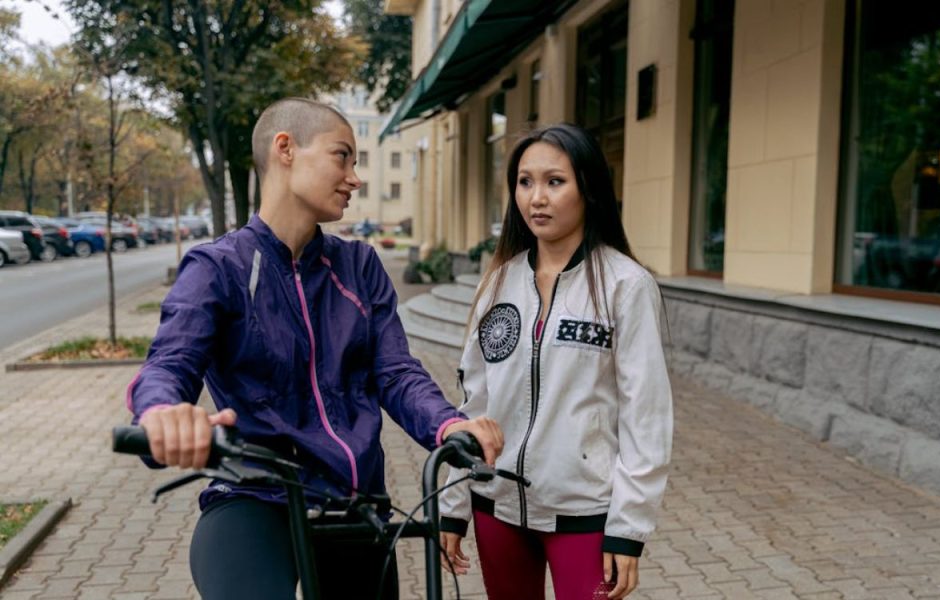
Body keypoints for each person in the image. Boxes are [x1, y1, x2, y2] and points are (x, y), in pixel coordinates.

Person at [125, 97, 503, 600]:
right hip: (253, 494)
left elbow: (395, 372)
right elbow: (169, 364)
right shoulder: (219, 269)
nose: (355, 177)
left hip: (353, 498)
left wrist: (448, 424)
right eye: (342, 156)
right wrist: (163, 414)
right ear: (286, 149)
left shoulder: (360, 267)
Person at [438, 123, 673, 600]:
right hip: (496, 504)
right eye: (525, 182)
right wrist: (453, 504)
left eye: (554, 181)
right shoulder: (499, 284)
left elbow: (645, 414)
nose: (536, 198)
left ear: (588, 188)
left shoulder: (625, 286)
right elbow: (474, 405)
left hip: (582, 512)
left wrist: (628, 527)